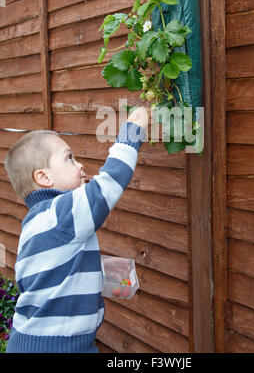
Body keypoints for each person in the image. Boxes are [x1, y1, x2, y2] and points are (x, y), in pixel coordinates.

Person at [4, 106, 149, 353]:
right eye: (69, 158)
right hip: (54, 348)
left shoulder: (37, 222)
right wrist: (133, 129)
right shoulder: (61, 213)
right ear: (44, 178)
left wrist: (101, 275)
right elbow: (108, 184)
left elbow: (51, 275)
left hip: (40, 342)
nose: (80, 165)